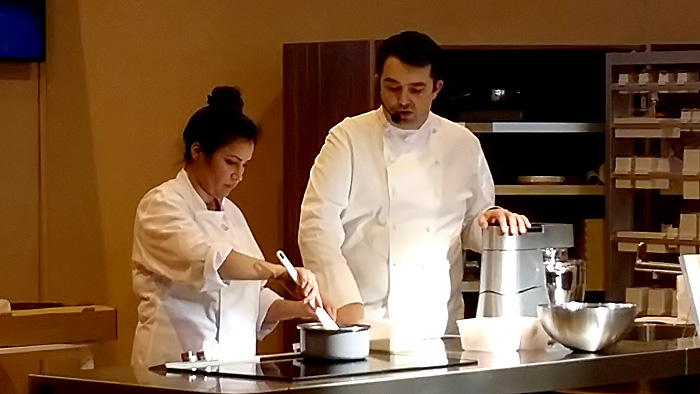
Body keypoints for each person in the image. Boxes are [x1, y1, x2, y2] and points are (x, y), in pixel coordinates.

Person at [298, 31, 530, 339]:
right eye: (392, 88)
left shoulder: (462, 145)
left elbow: (472, 227)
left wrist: (490, 221)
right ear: (378, 80)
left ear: (436, 89)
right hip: (364, 322)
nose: (402, 100)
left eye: (416, 89)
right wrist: (346, 305)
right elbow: (316, 226)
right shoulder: (348, 138)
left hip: (435, 324)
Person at [131, 86, 327, 367]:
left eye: (245, 165)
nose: (238, 176)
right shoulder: (161, 205)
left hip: (236, 371)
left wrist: (303, 310)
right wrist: (277, 271)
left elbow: (251, 300)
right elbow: (212, 261)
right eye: (231, 162)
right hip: (174, 368)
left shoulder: (232, 213)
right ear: (197, 151)